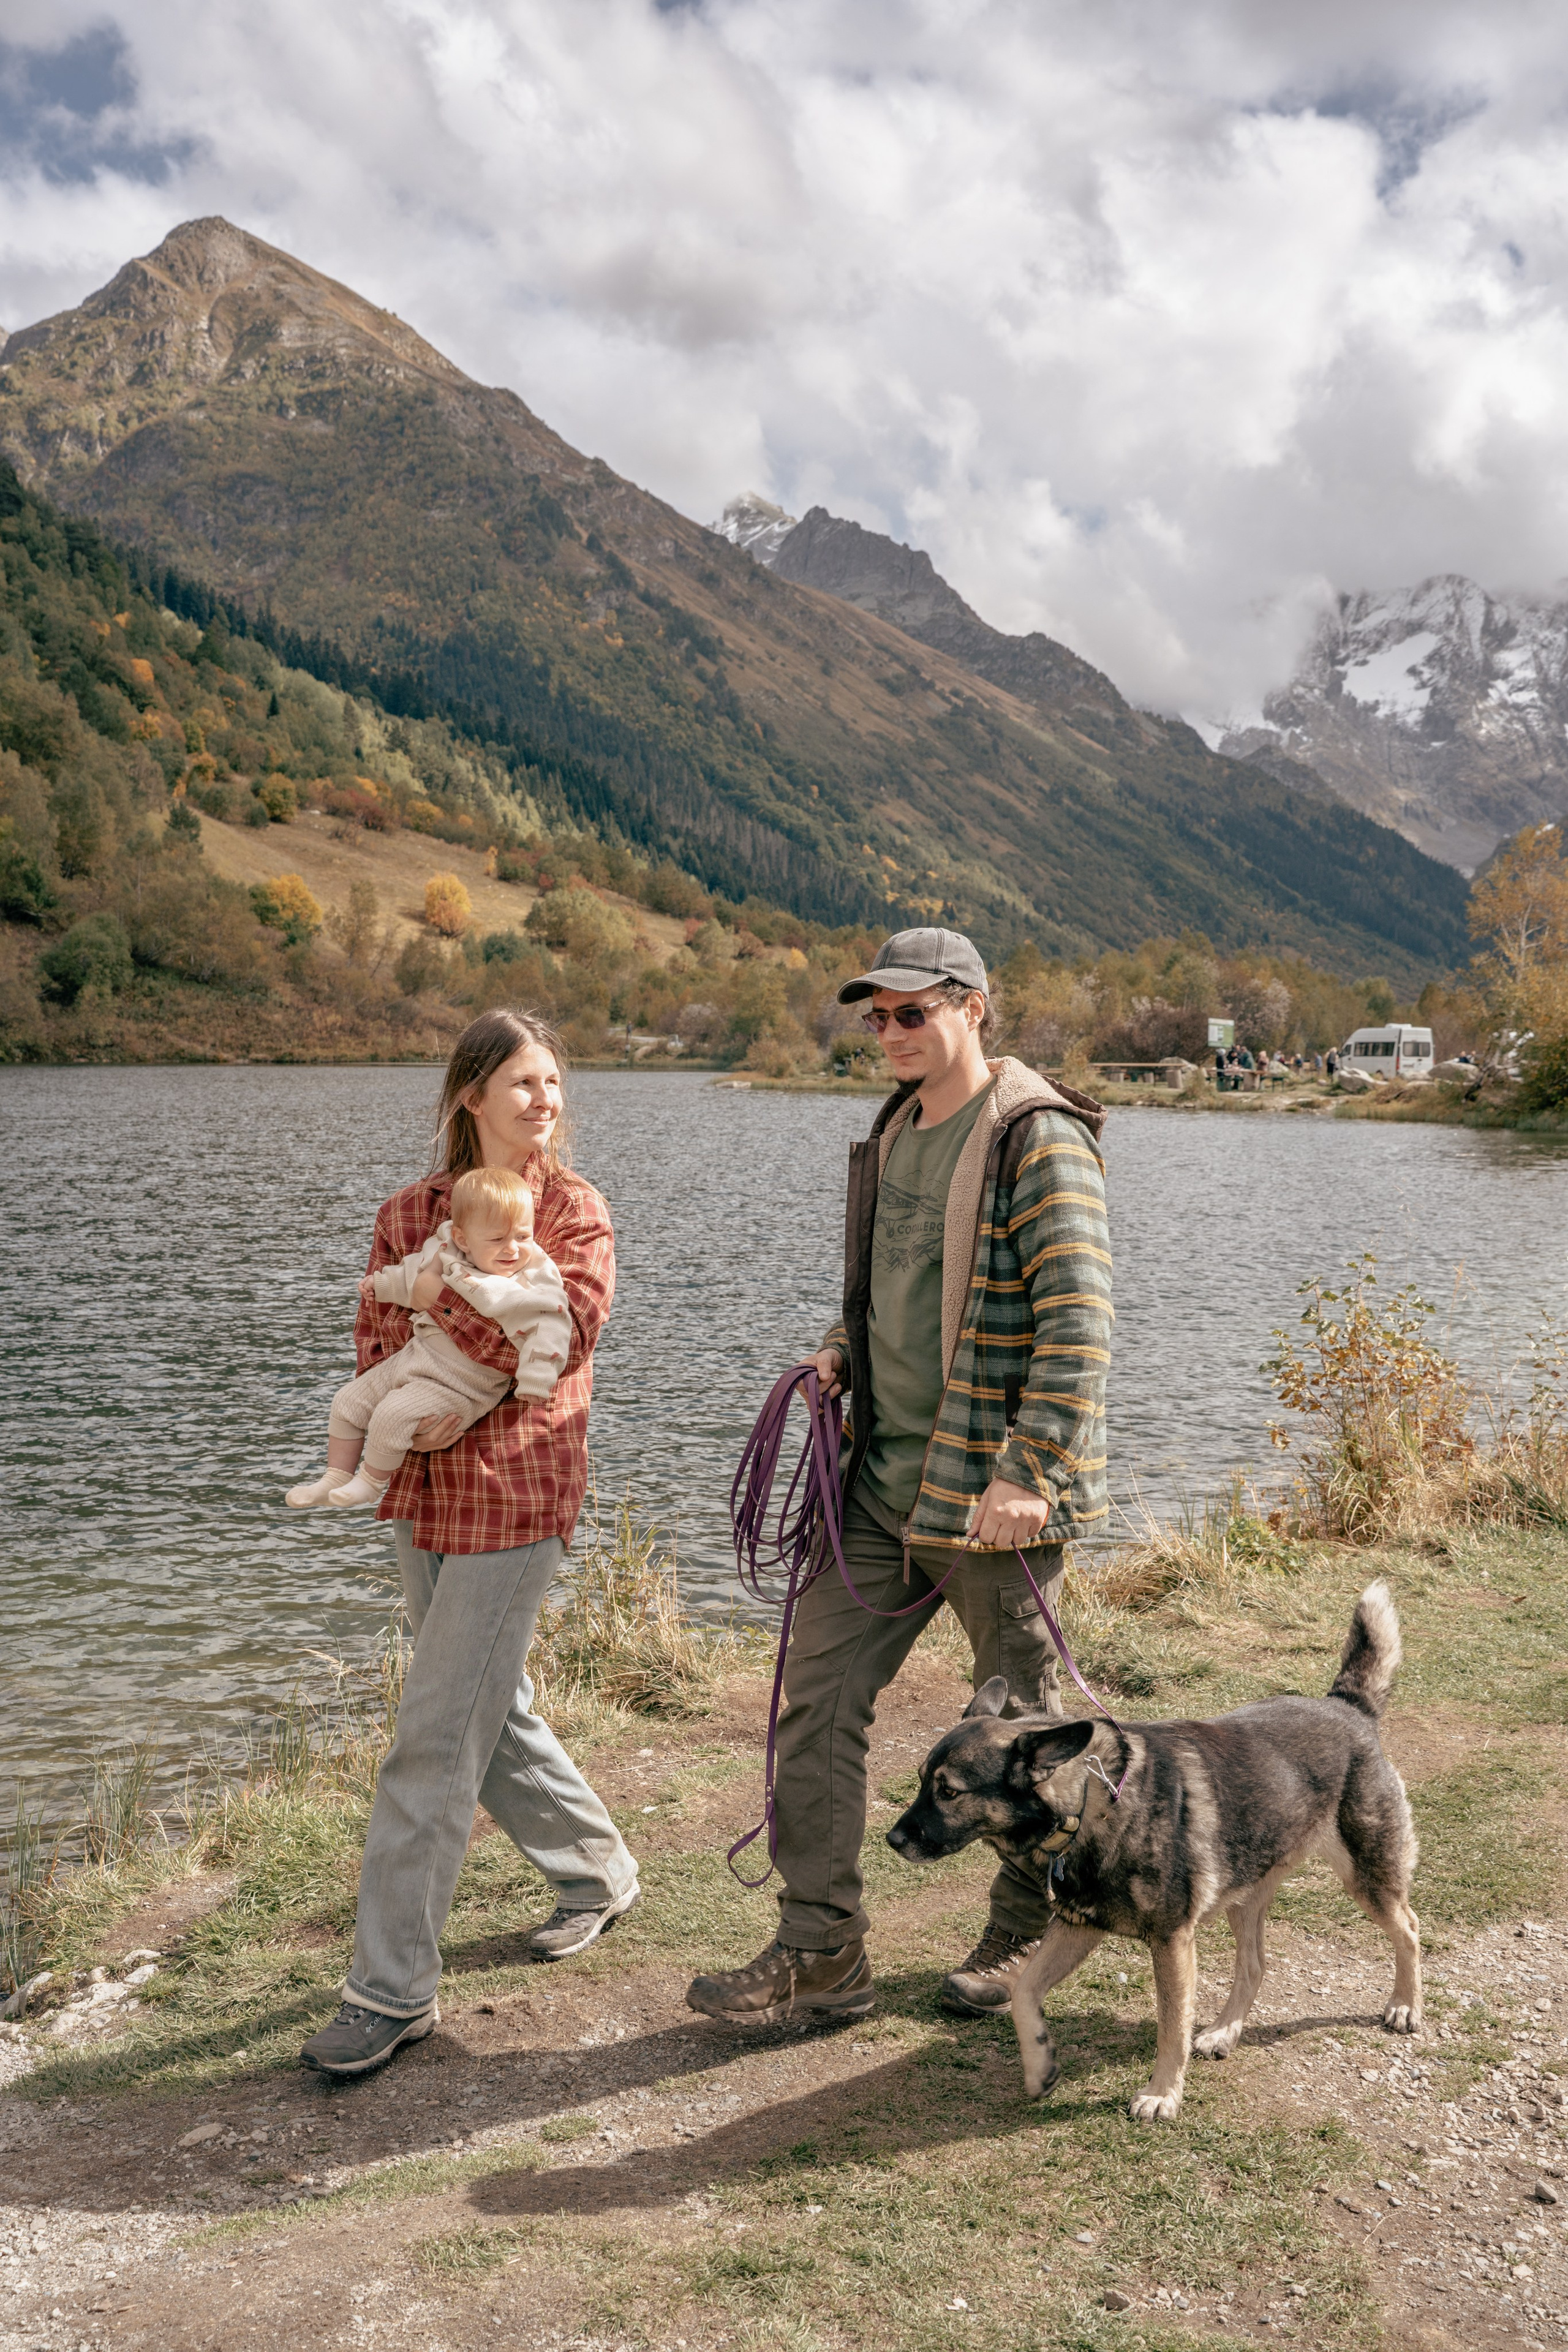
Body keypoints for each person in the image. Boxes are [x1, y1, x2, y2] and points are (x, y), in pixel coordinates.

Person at [687, 928, 1112, 2030]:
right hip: (877, 1487)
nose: (888, 1032)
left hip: (990, 1498)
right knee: (816, 1705)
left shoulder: (1036, 1136)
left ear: (974, 1007)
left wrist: (1028, 1471)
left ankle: (1027, 1934)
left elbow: (1079, 1328)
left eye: (910, 1012)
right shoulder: (888, 1129)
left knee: (1021, 1731)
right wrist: (841, 1347)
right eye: (875, 1015)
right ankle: (821, 1953)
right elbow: (883, 1287)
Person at [299, 1010, 639, 2079]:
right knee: (494, 1708)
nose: (546, 1101)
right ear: (470, 1098)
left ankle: (388, 1991)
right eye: (524, 1084)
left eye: (554, 1081)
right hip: (421, 1493)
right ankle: (596, 1869)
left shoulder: (575, 1213)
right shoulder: (407, 1212)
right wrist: (421, 1386)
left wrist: (446, 1366)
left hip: (518, 1495)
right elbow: (374, 1333)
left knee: (435, 1739)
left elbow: (562, 1327)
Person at [285, 1165, 571, 1511]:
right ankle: (335, 1476)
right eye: (497, 1239)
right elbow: (414, 1275)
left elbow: (551, 1325)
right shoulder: (450, 1252)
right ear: (464, 1239)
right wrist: (383, 1285)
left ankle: (371, 1482)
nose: (513, 1249)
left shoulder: (532, 1279)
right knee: (347, 1402)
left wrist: (537, 1379)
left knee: (393, 1414)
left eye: (523, 1237)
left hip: (461, 1384)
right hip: (416, 1358)